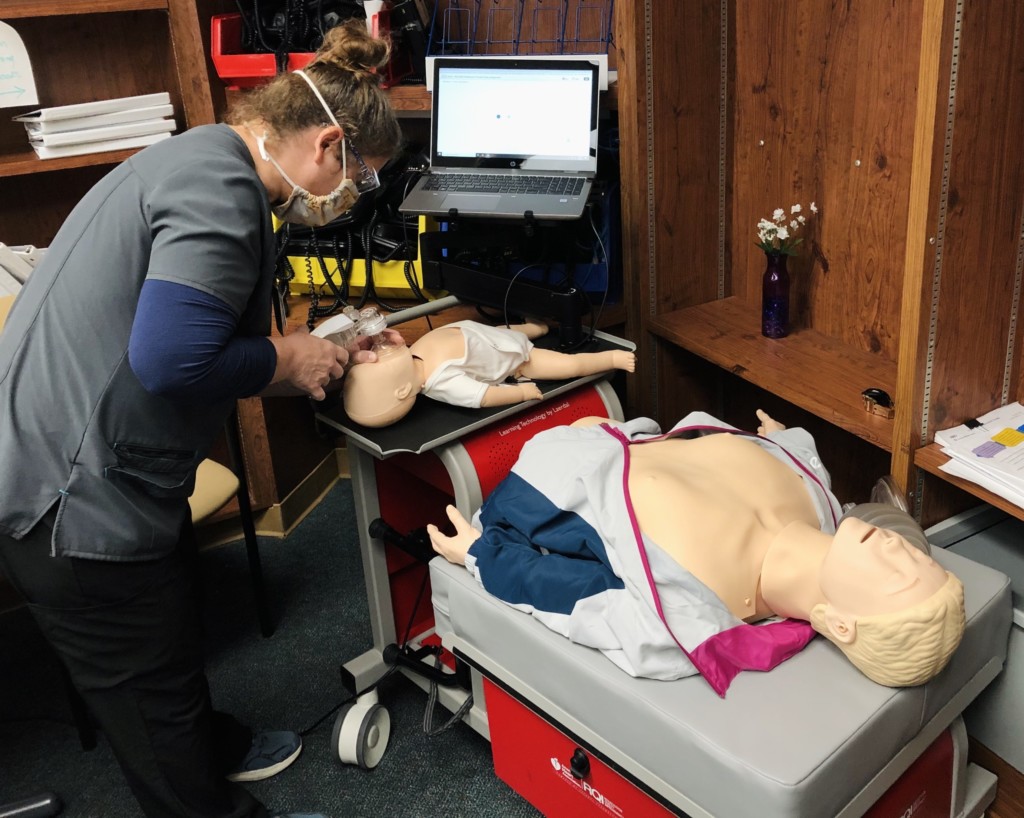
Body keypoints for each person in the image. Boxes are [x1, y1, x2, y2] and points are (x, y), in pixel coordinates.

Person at [0, 20, 403, 818]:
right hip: (67, 502)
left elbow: (199, 332)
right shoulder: (223, 191)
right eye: (360, 177)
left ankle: (207, 740)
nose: (351, 197)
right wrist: (286, 362)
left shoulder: (200, 157)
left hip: (78, 459)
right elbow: (172, 359)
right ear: (326, 145)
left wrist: (315, 348)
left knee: (164, 642)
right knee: (148, 700)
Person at [427, 410, 965, 696]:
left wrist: (480, 554)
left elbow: (558, 591)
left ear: (843, 626)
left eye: (898, 576)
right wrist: (783, 438)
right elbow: (805, 455)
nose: (898, 547)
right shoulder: (818, 498)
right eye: (920, 557)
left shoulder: (685, 619)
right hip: (632, 434)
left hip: (546, 484)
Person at [341, 318, 637, 427]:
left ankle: (537, 327)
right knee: (569, 366)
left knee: (521, 329)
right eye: (379, 360)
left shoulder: (413, 349)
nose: (378, 351)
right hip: (516, 360)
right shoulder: (440, 382)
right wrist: (520, 392)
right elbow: (483, 396)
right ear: (402, 391)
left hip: (488, 335)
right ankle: (610, 358)